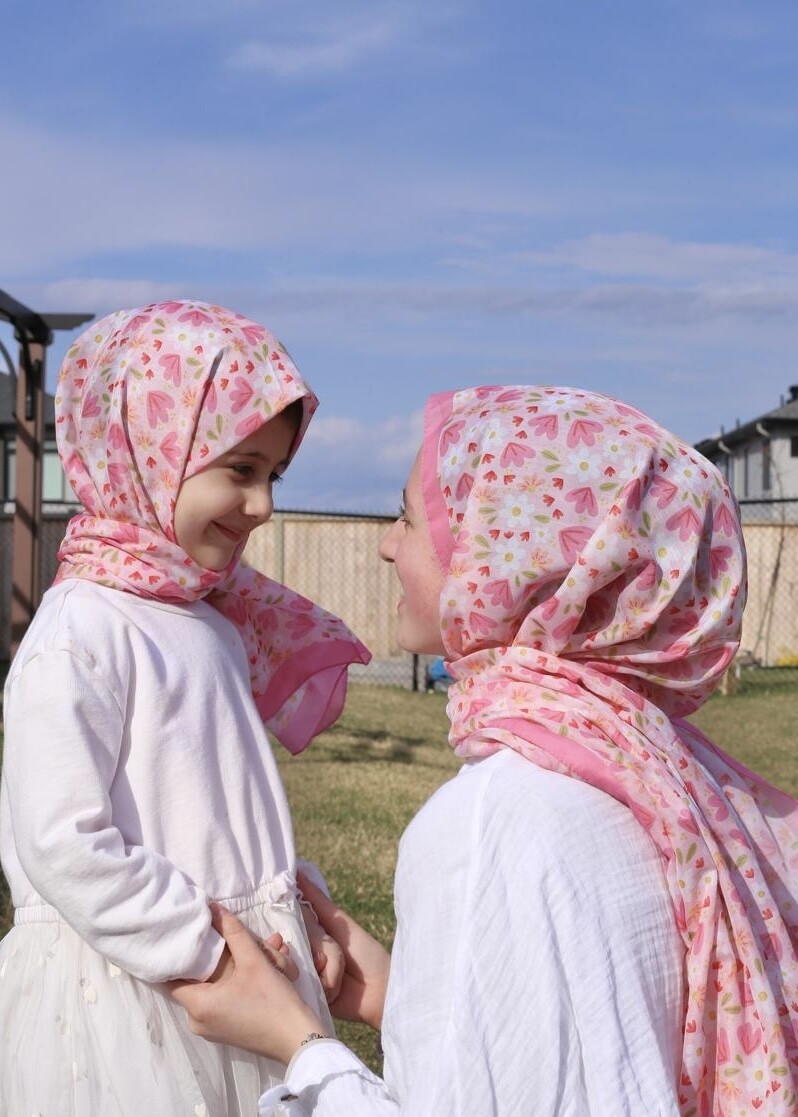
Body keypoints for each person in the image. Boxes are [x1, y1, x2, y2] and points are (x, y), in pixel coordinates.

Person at [173, 385, 798, 1117]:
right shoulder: (671, 777)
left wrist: (298, 1042)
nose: (388, 543)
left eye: (410, 517)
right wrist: (394, 993)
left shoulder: (492, 822)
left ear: (505, 561)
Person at [0, 301, 370, 1116]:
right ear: (147, 452)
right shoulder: (81, 629)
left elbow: (222, 809)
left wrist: (293, 907)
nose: (262, 504)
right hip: (132, 996)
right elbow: (63, 841)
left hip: (233, 975)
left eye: (273, 475)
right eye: (240, 469)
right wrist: (211, 952)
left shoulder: (208, 617)